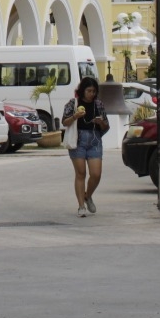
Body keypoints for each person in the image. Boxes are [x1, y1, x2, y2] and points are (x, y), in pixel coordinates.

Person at [62, 76, 109, 216]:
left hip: (94, 139)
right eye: (89, 91)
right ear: (82, 91)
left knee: (96, 174)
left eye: (94, 91)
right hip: (78, 140)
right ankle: (81, 205)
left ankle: (88, 196)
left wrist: (100, 122)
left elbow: (106, 126)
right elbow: (65, 122)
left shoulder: (98, 105)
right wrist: (75, 116)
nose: (91, 94)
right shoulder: (73, 103)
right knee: (80, 173)